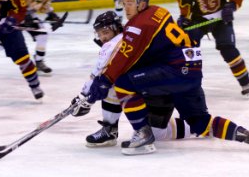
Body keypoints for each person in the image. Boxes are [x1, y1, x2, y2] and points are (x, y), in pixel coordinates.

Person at [86, 0, 249, 155]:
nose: (126, 7)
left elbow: (124, 57)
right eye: (124, 2)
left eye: (129, 3)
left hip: (173, 71)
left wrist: (103, 81)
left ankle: (143, 136)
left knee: (123, 83)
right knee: (200, 122)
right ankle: (247, 135)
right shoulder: (160, 11)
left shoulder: (138, 24)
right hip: (190, 71)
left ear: (141, 3)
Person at [72, 11, 193, 147]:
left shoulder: (114, 44)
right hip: (160, 87)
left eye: (105, 32)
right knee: (156, 132)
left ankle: (110, 129)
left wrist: (83, 97)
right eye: (99, 34)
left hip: (158, 90)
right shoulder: (129, 36)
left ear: (116, 28)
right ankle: (197, 126)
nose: (102, 38)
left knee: (110, 85)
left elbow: (98, 77)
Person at [177, 0, 249, 98]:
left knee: (228, 49)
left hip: (221, 19)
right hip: (199, 19)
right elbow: (183, 1)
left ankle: (245, 83)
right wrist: (184, 17)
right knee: (189, 49)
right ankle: (191, 86)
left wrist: (231, 6)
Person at [17, 0, 65, 74]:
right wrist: (24, 15)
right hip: (14, 13)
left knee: (43, 34)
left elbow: (44, 7)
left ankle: (39, 61)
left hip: (29, 16)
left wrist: (53, 16)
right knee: (1, 42)